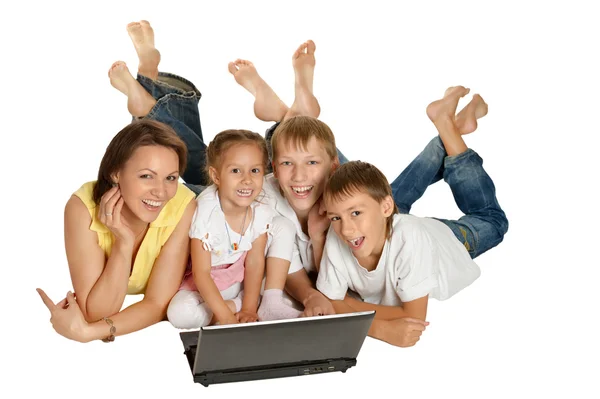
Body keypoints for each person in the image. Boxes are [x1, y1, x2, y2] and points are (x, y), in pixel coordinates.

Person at [315, 86, 509, 347]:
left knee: (493, 222)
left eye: (355, 214)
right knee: (359, 192)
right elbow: (329, 304)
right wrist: (372, 322)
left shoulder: (409, 236)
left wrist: (350, 307)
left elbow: (412, 315)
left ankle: (448, 128)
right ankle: (446, 128)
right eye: (335, 218)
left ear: (386, 210)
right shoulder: (344, 229)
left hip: (442, 239)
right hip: (381, 226)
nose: (346, 230)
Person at [37, 119, 197, 343]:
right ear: (115, 173)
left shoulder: (183, 204)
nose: (161, 192)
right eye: (146, 176)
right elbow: (97, 314)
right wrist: (124, 242)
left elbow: (158, 304)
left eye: (170, 177)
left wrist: (88, 333)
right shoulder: (82, 208)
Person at [166, 129, 300, 328]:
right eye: (236, 171)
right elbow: (201, 273)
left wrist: (249, 308)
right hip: (206, 284)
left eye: (254, 171)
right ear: (216, 176)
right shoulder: (205, 212)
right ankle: (231, 307)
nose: (247, 180)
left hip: (239, 278)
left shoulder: (259, 210)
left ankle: (268, 301)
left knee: (283, 226)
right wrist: (226, 316)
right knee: (179, 314)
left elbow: (254, 262)